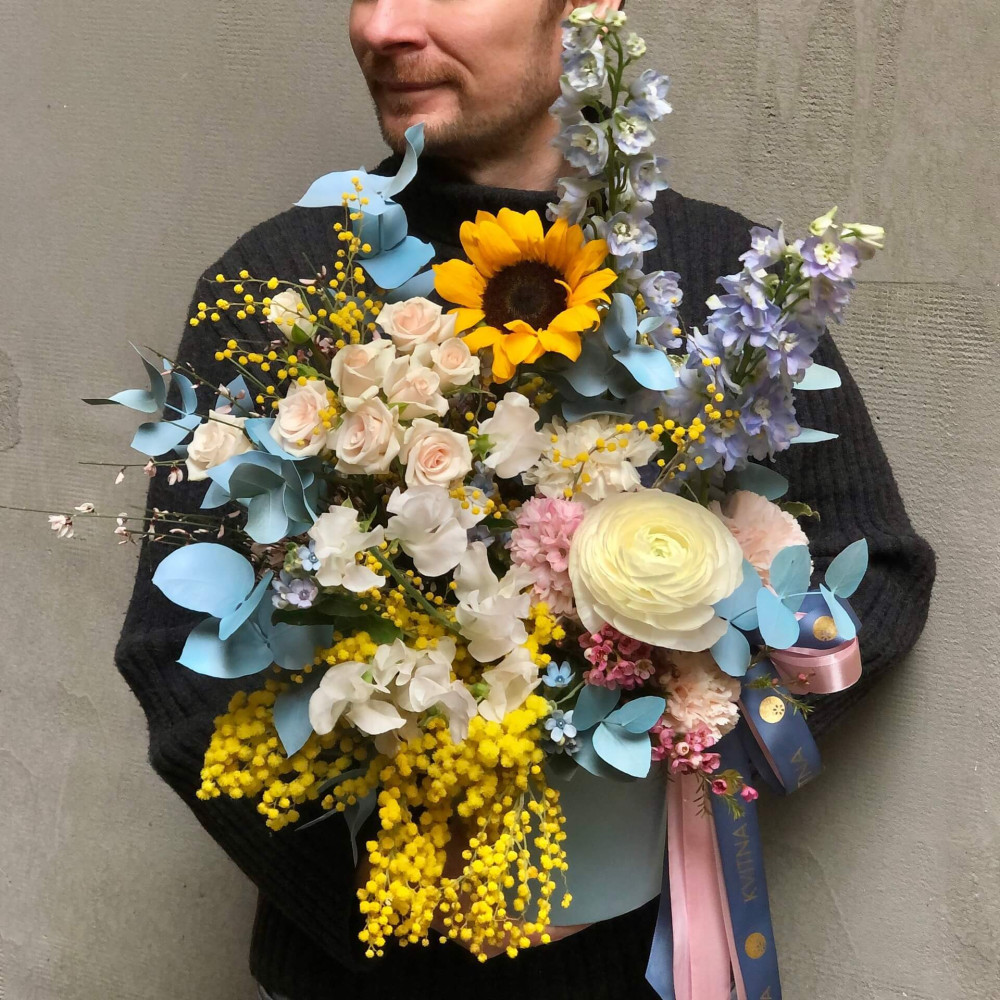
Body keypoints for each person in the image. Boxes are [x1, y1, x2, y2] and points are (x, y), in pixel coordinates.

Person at [113, 1, 936, 998]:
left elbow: (875, 572)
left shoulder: (723, 282)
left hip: (651, 963)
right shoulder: (281, 284)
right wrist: (392, 910)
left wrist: (695, 748)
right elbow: (175, 656)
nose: (383, 27)